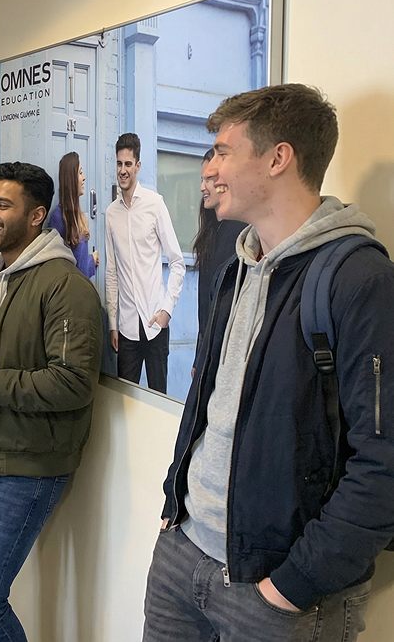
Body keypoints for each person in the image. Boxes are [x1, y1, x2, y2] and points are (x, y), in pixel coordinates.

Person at [143, 84, 394, 642]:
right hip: (183, 555)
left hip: (275, 592)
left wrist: (291, 587)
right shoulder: (239, 268)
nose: (209, 169)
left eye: (223, 152)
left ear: (279, 158)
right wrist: (173, 506)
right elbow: (208, 405)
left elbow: (382, 466)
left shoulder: (358, 279)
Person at [0, 162, 103, 642]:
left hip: (24, 468)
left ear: (36, 217)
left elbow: (73, 383)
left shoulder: (65, 286)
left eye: (2, 205)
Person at [104, 132, 185, 394]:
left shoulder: (155, 204)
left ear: (138, 166)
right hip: (126, 327)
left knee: (159, 399)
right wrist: (113, 324)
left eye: (128, 164)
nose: (123, 170)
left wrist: (167, 310)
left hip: (155, 324)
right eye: (119, 164)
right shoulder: (111, 214)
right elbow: (112, 272)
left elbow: (177, 262)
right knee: (125, 400)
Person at [192, 148, 246, 341]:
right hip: (207, 342)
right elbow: (205, 301)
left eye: (209, 179)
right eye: (202, 180)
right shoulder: (211, 230)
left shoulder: (239, 231)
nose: (202, 187)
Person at [48, 151, 98, 277]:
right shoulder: (58, 219)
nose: (84, 177)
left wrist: (91, 259)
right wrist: (91, 260)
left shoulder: (78, 215)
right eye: (80, 173)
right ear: (71, 179)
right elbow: (58, 266)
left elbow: (79, 262)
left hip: (83, 288)